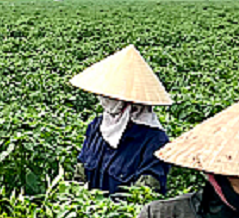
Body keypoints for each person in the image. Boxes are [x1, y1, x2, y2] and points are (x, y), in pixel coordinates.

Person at [70, 45, 171, 194]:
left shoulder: (154, 142)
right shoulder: (97, 127)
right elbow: (80, 175)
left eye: (111, 98)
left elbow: (144, 195)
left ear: (132, 103)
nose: (104, 101)